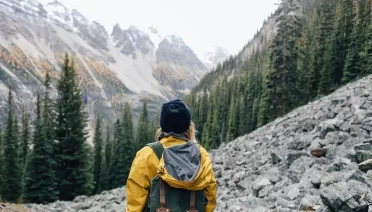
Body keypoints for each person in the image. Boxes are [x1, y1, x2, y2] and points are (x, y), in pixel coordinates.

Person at [126, 98, 217, 212]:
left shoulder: (146, 155)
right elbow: (210, 198)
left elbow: (135, 203)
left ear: (162, 127)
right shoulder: (201, 154)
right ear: (189, 126)